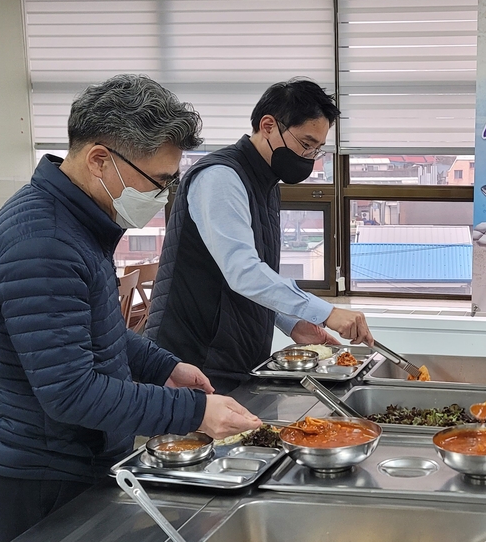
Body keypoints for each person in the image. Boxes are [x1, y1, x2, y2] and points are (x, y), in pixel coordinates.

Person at [0, 74, 263, 542]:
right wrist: (193, 412)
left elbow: (86, 329)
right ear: (100, 159)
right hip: (39, 481)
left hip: (67, 463)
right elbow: (70, 392)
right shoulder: (44, 243)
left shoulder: (75, 224)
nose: (164, 196)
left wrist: (163, 366)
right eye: (159, 182)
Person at [145, 78, 373, 394]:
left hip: (233, 356)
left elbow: (254, 278)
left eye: (318, 149)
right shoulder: (220, 177)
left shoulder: (265, 183)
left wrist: (293, 323)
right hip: (193, 359)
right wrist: (328, 313)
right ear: (268, 126)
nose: (310, 156)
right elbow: (244, 272)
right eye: (306, 143)